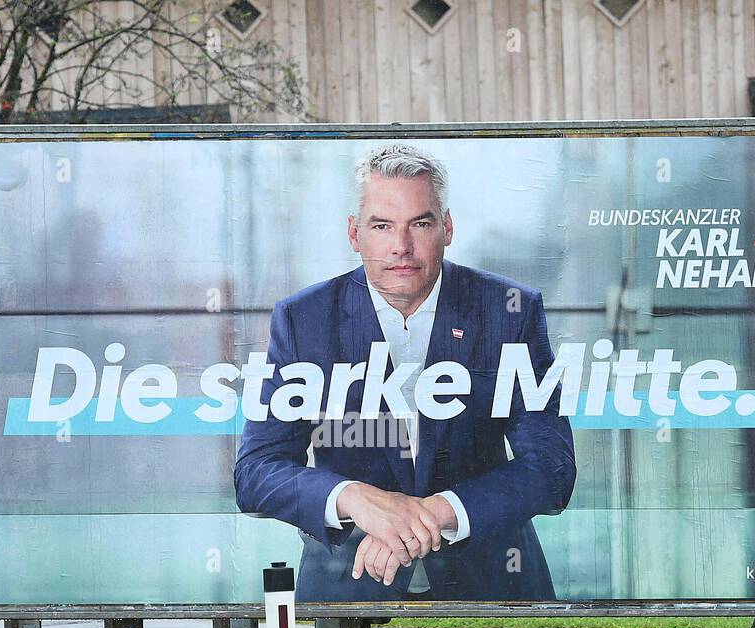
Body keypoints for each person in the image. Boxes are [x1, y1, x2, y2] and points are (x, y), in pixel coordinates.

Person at [234, 143, 575, 601]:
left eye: (420, 223)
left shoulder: (507, 311)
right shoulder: (303, 319)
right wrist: (356, 499)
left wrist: (433, 514)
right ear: (354, 234)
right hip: (350, 585)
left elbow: (550, 468)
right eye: (382, 226)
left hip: (493, 587)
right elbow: (257, 471)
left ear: (447, 228)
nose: (401, 246)